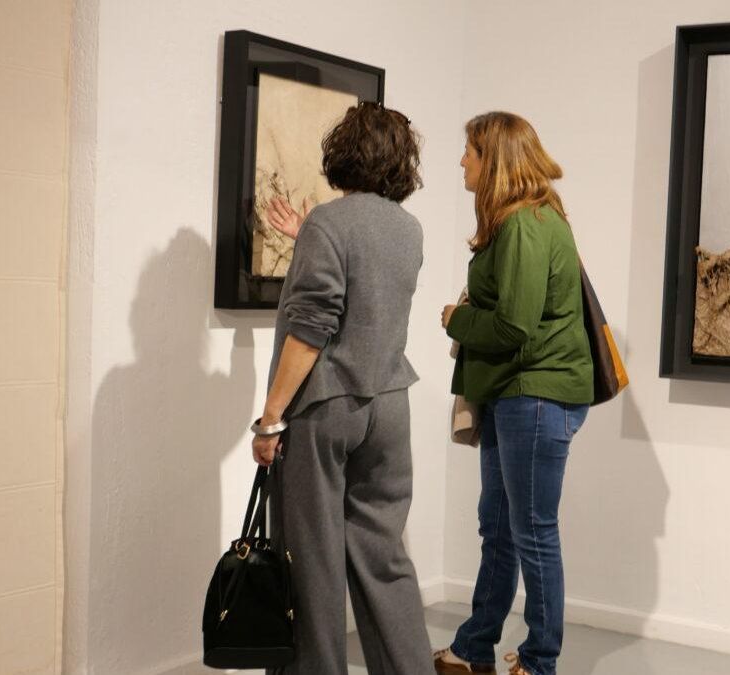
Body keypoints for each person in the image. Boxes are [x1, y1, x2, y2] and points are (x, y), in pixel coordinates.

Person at [251, 101, 431, 675]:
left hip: (326, 408)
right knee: (383, 557)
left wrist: (272, 415)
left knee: (312, 562)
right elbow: (367, 285)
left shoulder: (331, 223)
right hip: (388, 405)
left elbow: (311, 330)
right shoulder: (407, 228)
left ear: (342, 154)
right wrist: (310, 235)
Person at [435, 112, 593, 675]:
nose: (462, 161)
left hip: (537, 396)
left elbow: (514, 327)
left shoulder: (526, 224)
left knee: (532, 532)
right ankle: (475, 646)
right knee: (500, 527)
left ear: (494, 159)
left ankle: (539, 660)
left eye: (470, 152)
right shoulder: (525, 219)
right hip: (517, 394)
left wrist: (456, 320)